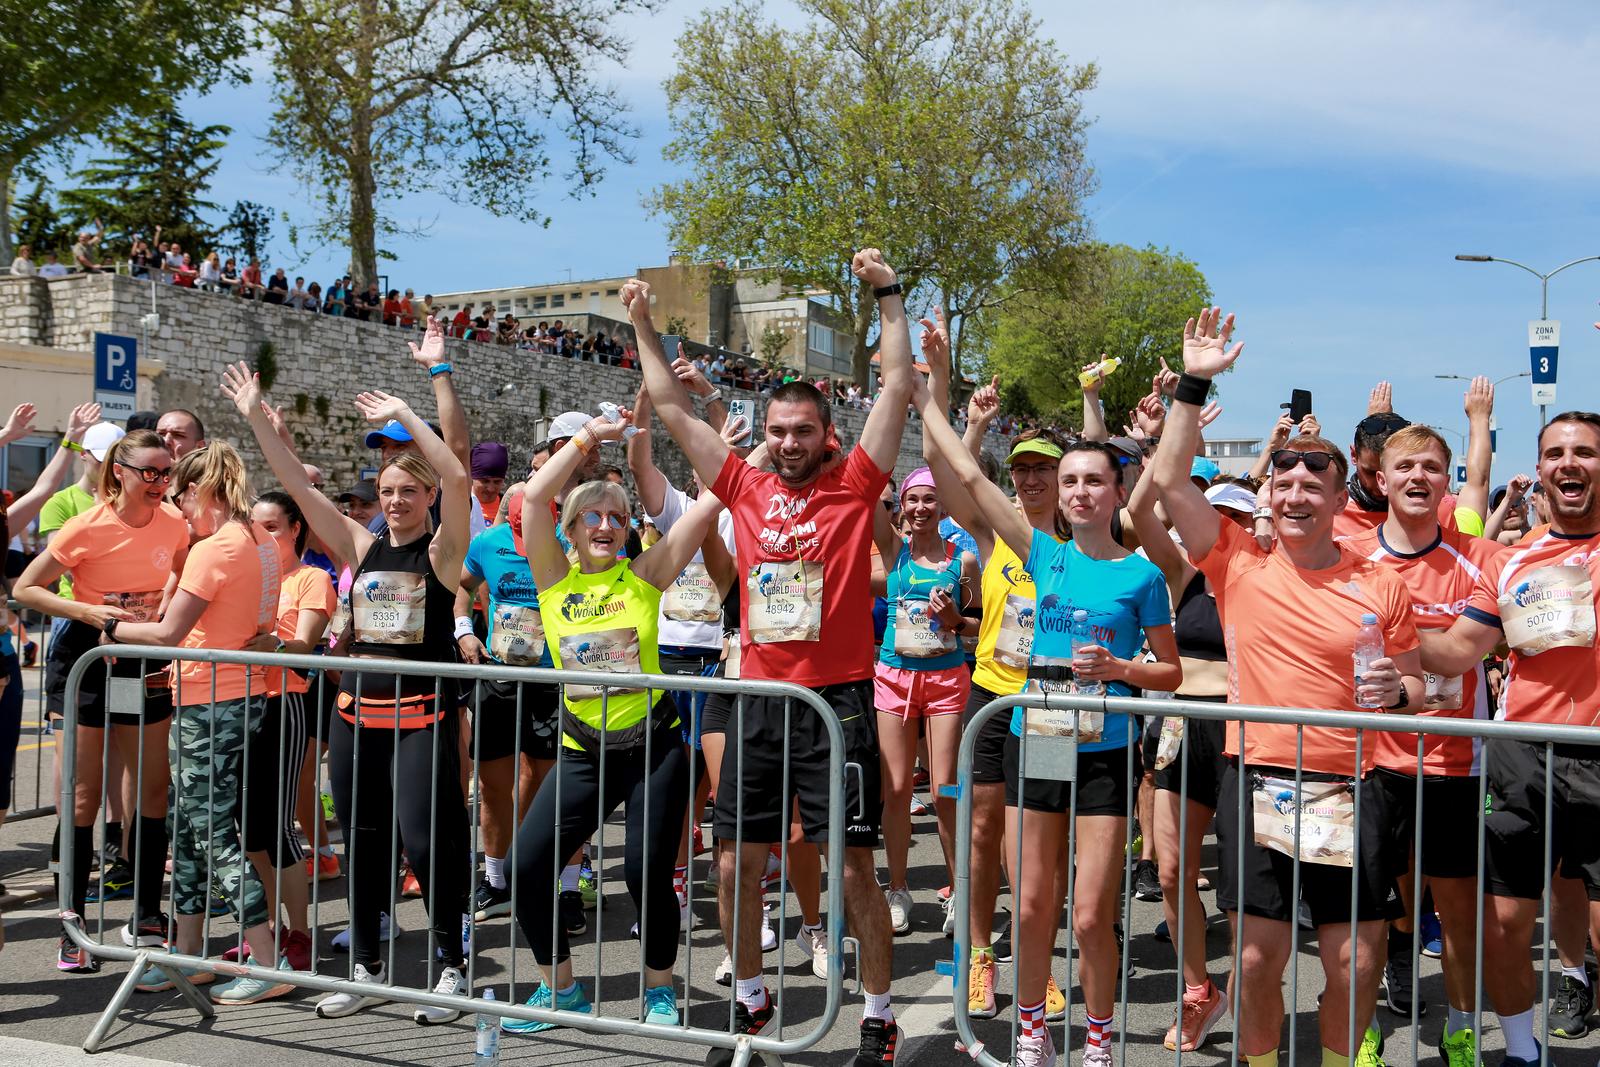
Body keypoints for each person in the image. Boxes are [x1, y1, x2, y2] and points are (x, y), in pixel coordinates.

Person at [630, 248, 910, 1067]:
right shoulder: (745, 488)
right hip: (756, 701)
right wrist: (644, 322)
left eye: (802, 432)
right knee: (732, 863)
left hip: (839, 704)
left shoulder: (854, 483)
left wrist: (887, 295)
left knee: (852, 867)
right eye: (778, 431)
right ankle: (749, 1004)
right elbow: (670, 406)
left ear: (827, 435)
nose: (787, 443)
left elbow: (894, 386)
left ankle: (880, 1014)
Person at [1149, 307, 1424, 1067]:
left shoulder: (1381, 583)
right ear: (1270, 493)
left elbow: (1413, 684)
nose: (1297, 487)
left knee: (1354, 964)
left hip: (1353, 785)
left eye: (1315, 478)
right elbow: (1168, 478)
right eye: (1285, 476)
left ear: (1342, 498)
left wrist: (1396, 696)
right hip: (1259, 777)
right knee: (1259, 962)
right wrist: (1196, 379)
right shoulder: (1236, 560)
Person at [916, 315, 1181, 1067]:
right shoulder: (1041, 553)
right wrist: (925, 394)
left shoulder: (1140, 575)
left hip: (1104, 754)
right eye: (1070, 480)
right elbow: (966, 478)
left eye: (1094, 478)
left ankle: (1097, 1036)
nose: (1080, 489)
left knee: (1093, 911)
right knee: (1032, 904)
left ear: (1115, 488)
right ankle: (1031, 1027)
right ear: (1059, 496)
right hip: (1042, 741)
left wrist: (1122, 671)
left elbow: (1170, 672)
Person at [223, 361, 474, 1024]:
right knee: (362, 842)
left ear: (426, 499)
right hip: (352, 719)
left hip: (422, 718)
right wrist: (255, 413)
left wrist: (406, 410)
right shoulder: (360, 547)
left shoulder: (443, 554)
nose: (395, 501)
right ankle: (365, 966)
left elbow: (457, 475)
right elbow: (298, 493)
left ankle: (451, 965)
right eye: (387, 490)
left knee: (426, 843)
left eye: (406, 492)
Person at [503, 407, 727, 1034]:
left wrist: (744, 455)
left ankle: (658, 987)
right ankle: (561, 988)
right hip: (583, 748)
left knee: (642, 871)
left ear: (631, 531)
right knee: (526, 867)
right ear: (571, 531)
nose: (607, 525)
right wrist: (587, 440)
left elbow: (707, 509)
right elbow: (536, 493)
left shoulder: (646, 577)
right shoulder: (552, 580)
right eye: (594, 517)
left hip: (654, 748)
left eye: (620, 517)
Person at [1418, 411, 1600, 1067]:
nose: (1568, 463)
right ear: (1542, 466)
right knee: (1504, 922)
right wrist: (1391, 624)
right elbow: (1458, 650)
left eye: (1584, 452)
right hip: (1524, 754)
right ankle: (1523, 1053)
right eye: (1555, 453)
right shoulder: (1514, 559)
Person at [99, 443, 297, 1004]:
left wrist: (110, 627)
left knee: (211, 834)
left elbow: (166, 633)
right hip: (227, 695)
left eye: (181, 494)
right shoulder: (259, 540)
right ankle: (188, 954)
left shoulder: (218, 547)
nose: (178, 506)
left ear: (199, 489)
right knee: (190, 829)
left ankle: (266, 960)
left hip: (214, 700)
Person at [1337, 424, 1505, 1065]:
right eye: (1404, 467)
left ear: (1447, 481)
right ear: (1380, 479)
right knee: (1366, 914)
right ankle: (1365, 1027)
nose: (1417, 478)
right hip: (1368, 762)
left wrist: (1392, 634)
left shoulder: (1480, 557)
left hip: (1453, 762)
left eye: (1432, 468)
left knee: (1459, 914)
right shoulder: (1348, 554)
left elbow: (1467, 652)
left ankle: (1460, 1031)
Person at [13, 428, 189, 972]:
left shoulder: (177, 523)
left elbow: (182, 575)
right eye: (150, 473)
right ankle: (72, 926)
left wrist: (158, 609)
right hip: (86, 657)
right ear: (121, 471)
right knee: (83, 794)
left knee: (152, 789)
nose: (161, 482)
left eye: (167, 472)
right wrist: (92, 613)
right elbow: (25, 587)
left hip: (143, 656)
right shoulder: (84, 525)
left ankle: (147, 915)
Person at [871, 464, 977, 936]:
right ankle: (897, 889)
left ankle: (958, 891)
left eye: (929, 500)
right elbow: (870, 498)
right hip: (894, 675)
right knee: (894, 790)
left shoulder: (964, 561)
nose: (919, 508)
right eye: (912, 499)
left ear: (943, 506)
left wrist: (953, 617)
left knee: (943, 790)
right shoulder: (892, 550)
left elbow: (974, 627)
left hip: (946, 678)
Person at [239, 489, 337, 974]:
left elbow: (306, 644)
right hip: (235, 704)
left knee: (277, 828)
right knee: (248, 830)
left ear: (296, 528)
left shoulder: (311, 578)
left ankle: (298, 931)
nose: (262, 536)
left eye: (272, 527)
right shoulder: (245, 577)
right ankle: (265, 927)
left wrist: (274, 642)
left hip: (284, 704)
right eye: (255, 527)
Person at [455, 485, 561, 926]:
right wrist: (464, 630)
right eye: (516, 522)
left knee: (547, 782)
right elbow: (463, 589)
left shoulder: (568, 544)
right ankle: (497, 881)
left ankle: (559, 883)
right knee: (495, 786)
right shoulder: (487, 544)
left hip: (554, 677)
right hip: (500, 673)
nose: (523, 530)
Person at [0, 402, 101, 850]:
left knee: (2, 766)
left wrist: (69, 439)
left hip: (2, 655)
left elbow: (42, 489)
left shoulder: (3, 530)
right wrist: (5, 437)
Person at [470, 442, 508, 525]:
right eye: (485, 481)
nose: (491, 488)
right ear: (472, 477)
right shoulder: (461, 505)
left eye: (497, 482)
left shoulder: (510, 508)